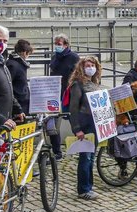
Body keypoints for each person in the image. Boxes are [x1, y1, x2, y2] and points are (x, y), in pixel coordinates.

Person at [67, 56, 102, 200]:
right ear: (81, 67)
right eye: (87, 65)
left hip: (95, 126)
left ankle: (89, 186)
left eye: (93, 65)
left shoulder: (94, 83)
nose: (90, 67)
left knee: (91, 158)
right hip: (85, 125)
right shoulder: (77, 84)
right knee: (85, 158)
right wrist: (77, 129)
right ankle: (83, 189)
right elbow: (73, 109)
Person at [0, 25, 25, 129]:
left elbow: (7, 89)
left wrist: (17, 109)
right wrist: (0, 119)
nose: (2, 45)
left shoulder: (0, 61)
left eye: (5, 41)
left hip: (2, 124)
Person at [50, 33, 80, 161]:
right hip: (55, 94)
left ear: (66, 45)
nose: (57, 46)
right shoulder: (54, 57)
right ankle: (57, 152)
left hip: (70, 94)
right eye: (55, 44)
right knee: (53, 124)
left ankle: (81, 148)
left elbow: (79, 75)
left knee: (75, 124)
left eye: (59, 44)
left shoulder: (74, 58)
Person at [6, 39, 33, 115]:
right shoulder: (14, 65)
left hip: (20, 101)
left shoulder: (15, 64)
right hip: (19, 102)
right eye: (28, 54)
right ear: (24, 52)